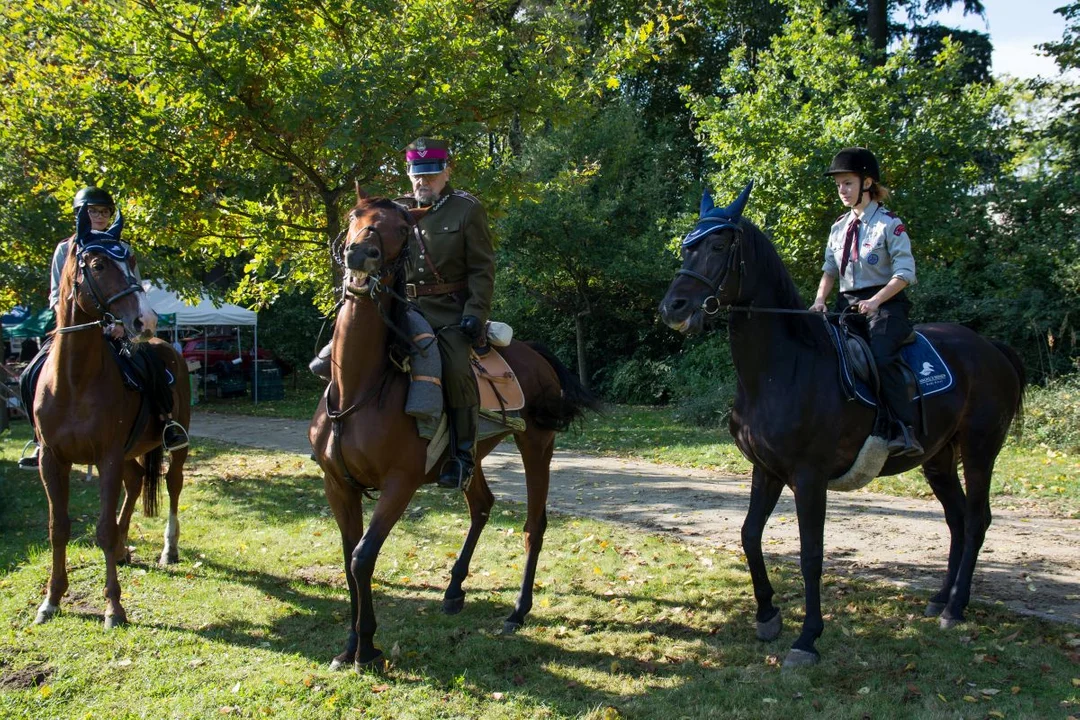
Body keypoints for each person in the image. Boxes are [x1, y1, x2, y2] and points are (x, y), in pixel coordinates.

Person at [18, 187, 188, 469]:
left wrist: (121, 324)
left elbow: (132, 291)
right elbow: (55, 296)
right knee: (29, 376)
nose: (99, 216)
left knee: (152, 365)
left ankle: (167, 425)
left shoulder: (122, 248)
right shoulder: (66, 248)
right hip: (73, 331)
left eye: (104, 211)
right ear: (81, 215)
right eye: (93, 211)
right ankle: (39, 438)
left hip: (116, 331)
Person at [394, 137, 496, 491]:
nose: (423, 182)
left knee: (453, 366)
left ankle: (462, 455)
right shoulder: (396, 210)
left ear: (447, 170)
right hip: (402, 310)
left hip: (448, 314)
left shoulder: (467, 209)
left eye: (432, 175)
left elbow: (482, 269)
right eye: (416, 174)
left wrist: (475, 314)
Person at [810, 147, 923, 457]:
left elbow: (905, 273)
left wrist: (875, 300)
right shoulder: (838, 228)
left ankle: (903, 428)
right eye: (838, 185)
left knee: (881, 356)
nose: (842, 191)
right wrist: (820, 300)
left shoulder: (889, 224)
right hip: (848, 306)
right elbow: (829, 271)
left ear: (867, 182)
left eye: (848, 183)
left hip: (887, 305)